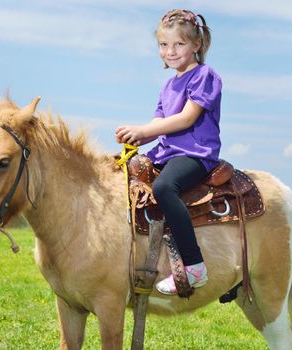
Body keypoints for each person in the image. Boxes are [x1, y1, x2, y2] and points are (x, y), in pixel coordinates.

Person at [115, 9, 222, 295]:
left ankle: (194, 265)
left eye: (179, 44)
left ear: (196, 45)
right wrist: (135, 138)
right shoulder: (167, 85)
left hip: (195, 154)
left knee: (164, 187)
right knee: (122, 174)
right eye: (164, 45)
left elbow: (186, 119)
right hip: (167, 151)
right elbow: (157, 124)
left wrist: (144, 131)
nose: (170, 51)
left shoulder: (204, 76)